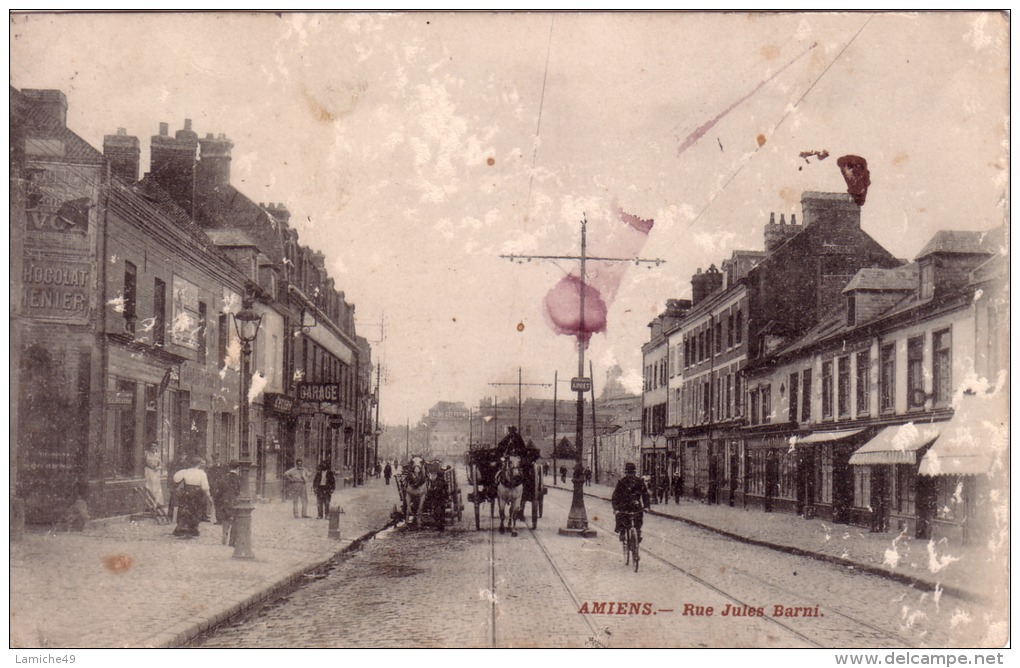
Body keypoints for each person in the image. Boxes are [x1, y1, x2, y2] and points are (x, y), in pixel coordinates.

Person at [172, 457, 213, 538]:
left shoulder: (185, 471)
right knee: (195, 511)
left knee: (184, 510)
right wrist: (209, 497)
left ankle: (181, 528)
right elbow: (205, 487)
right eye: (201, 463)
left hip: (186, 493)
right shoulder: (202, 473)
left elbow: (176, 478)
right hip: (196, 494)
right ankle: (193, 529)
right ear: (198, 464)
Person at [612, 462, 651, 544]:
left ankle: (638, 532)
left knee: (639, 518)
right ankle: (622, 532)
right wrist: (616, 509)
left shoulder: (639, 482)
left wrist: (647, 506)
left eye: (632, 473)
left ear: (635, 472)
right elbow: (615, 496)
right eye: (628, 473)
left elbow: (645, 494)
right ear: (625, 473)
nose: (630, 475)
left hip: (635, 505)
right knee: (620, 517)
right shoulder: (621, 482)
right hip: (624, 506)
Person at [218, 461, 242, 546]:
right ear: (238, 468)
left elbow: (220, 490)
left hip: (225, 501)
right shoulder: (239, 478)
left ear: (229, 468)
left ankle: (224, 536)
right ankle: (232, 541)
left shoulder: (225, 477)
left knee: (225, 519)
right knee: (235, 520)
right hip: (234, 501)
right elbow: (239, 490)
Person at [166, 450, 189, 522]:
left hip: (184, 485)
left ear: (186, 456)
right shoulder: (174, 464)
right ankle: (169, 517)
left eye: (184, 455)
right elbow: (170, 475)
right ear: (178, 456)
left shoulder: (187, 465)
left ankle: (181, 518)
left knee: (183, 501)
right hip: (175, 485)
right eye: (181, 455)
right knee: (173, 501)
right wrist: (170, 486)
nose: (182, 457)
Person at [143, 444, 165, 509]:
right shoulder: (146, 453)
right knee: (149, 487)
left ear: (156, 447)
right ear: (150, 447)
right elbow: (144, 462)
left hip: (155, 472)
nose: (153, 447)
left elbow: (161, 465)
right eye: (152, 446)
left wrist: (158, 468)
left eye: (155, 446)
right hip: (148, 471)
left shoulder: (158, 455)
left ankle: (156, 504)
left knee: (156, 488)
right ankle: (149, 505)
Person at [206, 454, 226, 523]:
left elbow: (226, 477)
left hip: (223, 488)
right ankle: (219, 519)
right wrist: (212, 488)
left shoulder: (224, 467)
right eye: (215, 460)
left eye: (217, 459)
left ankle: (224, 519)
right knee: (217, 504)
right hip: (215, 488)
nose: (216, 461)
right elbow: (210, 479)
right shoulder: (211, 469)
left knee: (223, 503)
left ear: (219, 459)